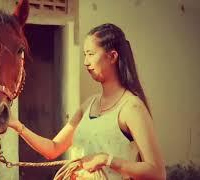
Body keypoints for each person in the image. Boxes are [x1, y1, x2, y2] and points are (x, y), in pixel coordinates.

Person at [9, 23, 166, 180]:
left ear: (112, 56)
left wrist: (107, 160)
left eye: (91, 54)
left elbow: (157, 173)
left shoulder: (131, 107)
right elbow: (53, 149)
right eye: (85, 54)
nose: (85, 61)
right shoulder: (89, 104)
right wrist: (17, 125)